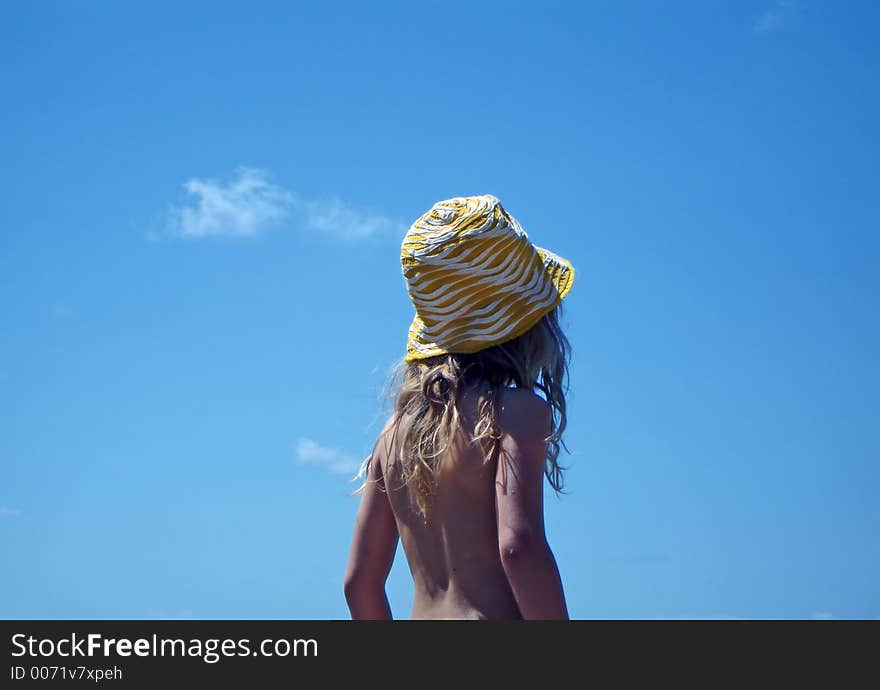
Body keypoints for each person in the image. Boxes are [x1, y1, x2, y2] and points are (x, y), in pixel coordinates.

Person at [344, 194, 575, 620]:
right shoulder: (517, 414)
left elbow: (360, 583)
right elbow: (518, 548)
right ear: (528, 325)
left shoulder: (394, 436)